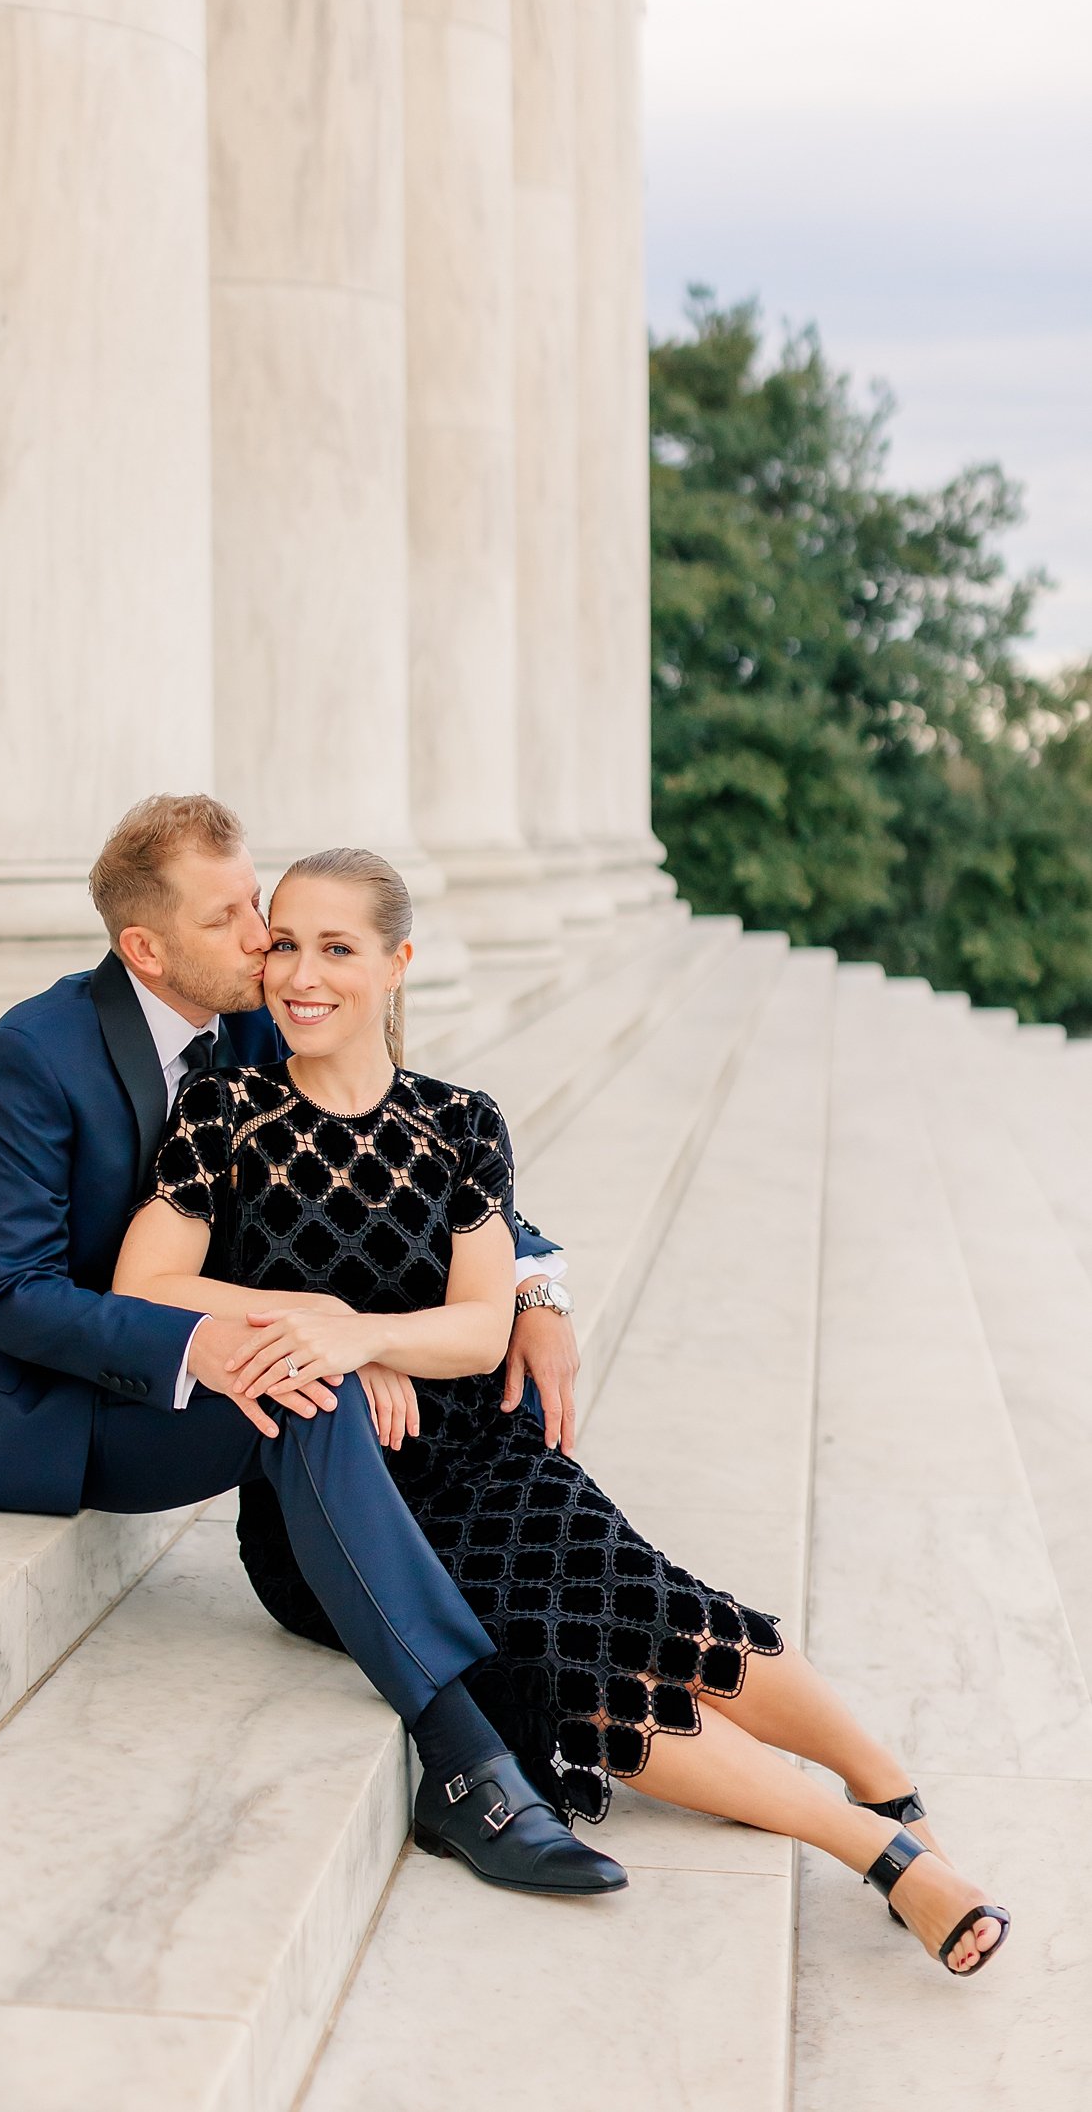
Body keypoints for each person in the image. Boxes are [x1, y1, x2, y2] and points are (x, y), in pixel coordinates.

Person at [114, 844, 1012, 1978]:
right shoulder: (226, 1105)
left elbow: (484, 1327)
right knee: (568, 1669)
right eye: (284, 942)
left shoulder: (457, 1124)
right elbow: (145, 1288)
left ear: (397, 965)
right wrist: (323, 1323)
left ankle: (886, 1781)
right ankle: (879, 1852)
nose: (301, 973)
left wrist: (374, 1337)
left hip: (486, 1458)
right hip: (335, 1511)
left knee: (646, 1600)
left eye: (337, 948)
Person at [0, 794, 624, 1899]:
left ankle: (542, 1622)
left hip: (212, 1358)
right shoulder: (25, 1060)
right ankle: (468, 1758)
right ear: (146, 947)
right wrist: (217, 1342)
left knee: (437, 1370)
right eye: (234, 917)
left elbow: (415, 1163)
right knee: (309, 1384)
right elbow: (7, 1300)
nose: (267, 939)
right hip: (56, 1412)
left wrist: (537, 1285)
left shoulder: (254, 1017)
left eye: (260, 902)